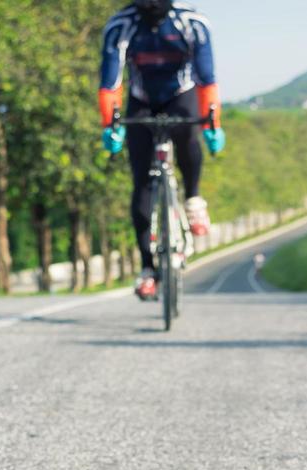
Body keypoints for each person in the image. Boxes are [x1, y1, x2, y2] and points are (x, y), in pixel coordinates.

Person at [98, 0, 225, 301]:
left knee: (188, 138)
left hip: (181, 95)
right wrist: (110, 123)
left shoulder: (193, 23)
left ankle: (193, 198)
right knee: (141, 181)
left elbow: (207, 79)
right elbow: (110, 81)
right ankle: (147, 268)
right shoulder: (121, 25)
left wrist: (213, 125)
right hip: (141, 100)